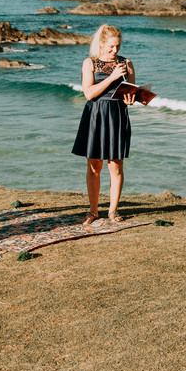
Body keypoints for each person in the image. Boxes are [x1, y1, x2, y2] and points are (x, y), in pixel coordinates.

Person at [71, 25, 137, 226]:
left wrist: (131, 99)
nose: (115, 51)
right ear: (101, 44)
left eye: (117, 46)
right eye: (111, 47)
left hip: (117, 115)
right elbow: (89, 94)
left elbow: (131, 92)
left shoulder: (127, 63)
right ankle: (92, 210)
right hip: (96, 115)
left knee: (115, 165)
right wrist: (112, 77)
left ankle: (113, 210)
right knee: (94, 166)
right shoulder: (89, 63)